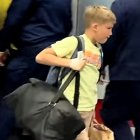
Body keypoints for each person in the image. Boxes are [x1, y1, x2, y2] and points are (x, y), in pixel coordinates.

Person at [35, 5, 116, 140]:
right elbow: (41, 57)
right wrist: (70, 63)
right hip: (70, 110)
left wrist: (91, 112)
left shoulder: (98, 49)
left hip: (86, 111)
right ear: (95, 26)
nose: (111, 33)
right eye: (108, 28)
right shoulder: (74, 42)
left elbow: (89, 82)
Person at [0, 0, 72, 140]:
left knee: (9, 103)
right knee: (37, 109)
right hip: (52, 57)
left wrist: (2, 46)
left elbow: (15, 18)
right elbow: (67, 25)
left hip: (29, 54)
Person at [100, 0, 140, 140]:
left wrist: (100, 65)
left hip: (126, 75)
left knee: (112, 116)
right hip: (128, 75)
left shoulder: (123, 5)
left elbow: (110, 38)